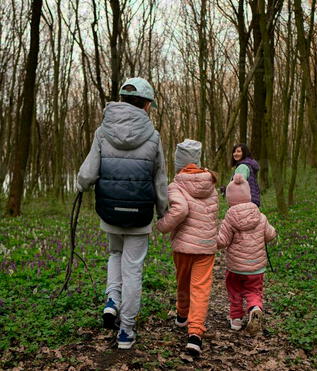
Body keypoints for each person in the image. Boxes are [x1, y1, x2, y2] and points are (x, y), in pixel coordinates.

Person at [76, 77, 168, 349]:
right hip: (139, 216)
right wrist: (163, 210)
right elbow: (159, 179)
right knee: (133, 269)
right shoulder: (153, 135)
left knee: (115, 254)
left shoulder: (103, 132)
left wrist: (81, 185)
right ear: (146, 104)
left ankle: (112, 300)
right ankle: (126, 331)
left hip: (110, 213)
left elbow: (89, 172)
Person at [156, 139, 218, 357]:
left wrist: (162, 226)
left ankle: (183, 315)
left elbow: (180, 210)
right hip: (206, 247)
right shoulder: (210, 184)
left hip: (183, 246)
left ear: (178, 162)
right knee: (200, 288)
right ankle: (195, 335)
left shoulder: (175, 185)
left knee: (183, 281)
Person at [217, 174, 276, 335]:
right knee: (254, 291)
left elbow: (222, 241)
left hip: (235, 268)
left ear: (230, 198)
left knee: (234, 291)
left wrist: (209, 240)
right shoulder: (260, 216)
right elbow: (270, 235)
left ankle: (236, 320)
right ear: (248, 195)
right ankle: (255, 308)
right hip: (256, 268)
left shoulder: (229, 218)